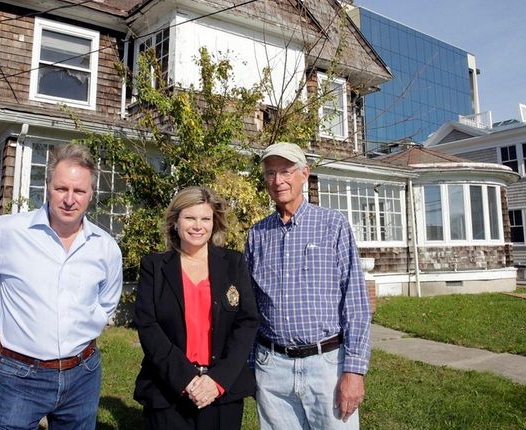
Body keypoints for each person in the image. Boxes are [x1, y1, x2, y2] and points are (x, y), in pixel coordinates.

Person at [0, 144, 123, 429]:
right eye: (61, 188)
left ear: (91, 194)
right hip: (20, 375)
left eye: (79, 191)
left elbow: (106, 303)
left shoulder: (106, 247)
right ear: (47, 186)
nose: (69, 199)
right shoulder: (10, 232)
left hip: (84, 373)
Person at [244, 142, 372, 429]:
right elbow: (250, 307)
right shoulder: (257, 234)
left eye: (286, 171)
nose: (278, 181)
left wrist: (354, 371)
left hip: (326, 367)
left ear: (305, 173)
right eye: (270, 173)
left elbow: (355, 302)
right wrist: (252, 366)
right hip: (272, 367)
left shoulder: (333, 225)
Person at [134, 186, 259, 430]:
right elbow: (148, 326)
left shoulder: (233, 263)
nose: (197, 226)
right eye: (189, 218)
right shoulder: (154, 267)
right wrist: (186, 379)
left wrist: (217, 380)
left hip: (221, 392)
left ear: (214, 223)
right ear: (175, 222)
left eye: (205, 218)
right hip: (168, 389)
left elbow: (247, 323)